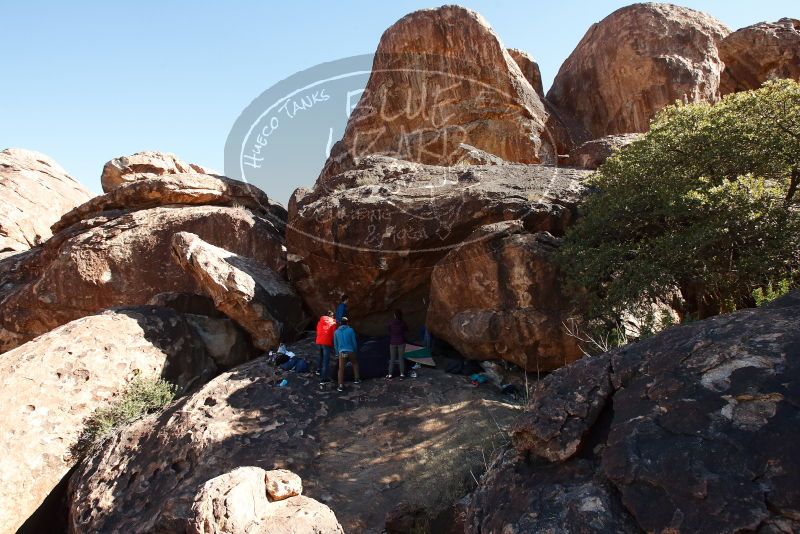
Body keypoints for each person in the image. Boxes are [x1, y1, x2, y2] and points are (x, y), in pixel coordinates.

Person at [333, 316, 360, 392]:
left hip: (342, 352)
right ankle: (357, 379)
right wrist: (355, 351)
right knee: (355, 363)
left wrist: (337, 353)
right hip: (350, 351)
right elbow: (354, 342)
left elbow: (335, 344)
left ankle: (340, 385)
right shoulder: (350, 330)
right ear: (347, 323)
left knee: (341, 369)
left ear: (340, 323)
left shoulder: (336, 332)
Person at [315, 310, 336, 384]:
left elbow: (318, 331)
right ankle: (323, 379)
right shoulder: (333, 322)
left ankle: (318, 370)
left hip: (319, 341)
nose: (333, 316)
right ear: (330, 315)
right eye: (333, 315)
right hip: (326, 342)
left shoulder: (320, 322)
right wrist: (334, 344)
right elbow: (334, 334)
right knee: (326, 361)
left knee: (320, 356)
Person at [386, 309, 408, 380]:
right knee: (401, 358)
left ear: (394, 315)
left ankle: (390, 374)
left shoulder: (390, 323)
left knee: (392, 358)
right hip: (401, 342)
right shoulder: (403, 323)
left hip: (393, 342)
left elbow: (389, 330)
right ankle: (402, 374)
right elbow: (406, 330)